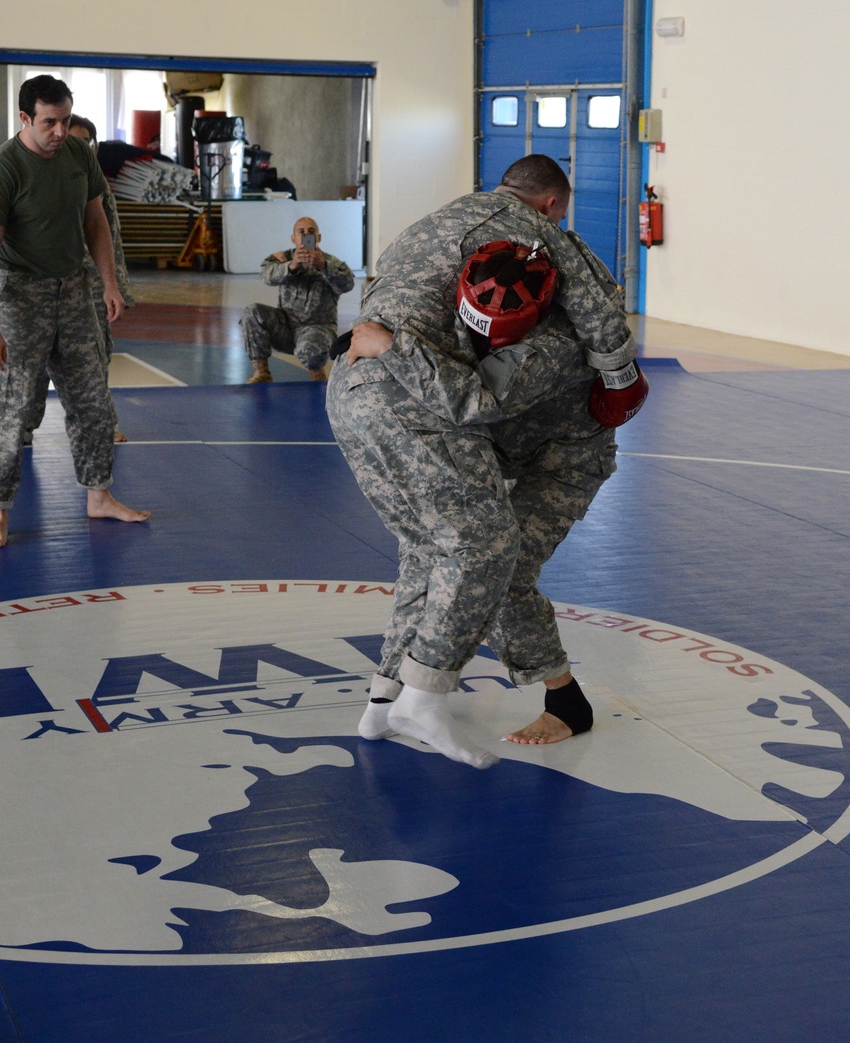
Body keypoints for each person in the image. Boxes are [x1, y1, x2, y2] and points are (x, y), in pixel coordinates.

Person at [327, 155, 646, 769]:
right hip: (505, 442)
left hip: (562, 457)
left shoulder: (547, 340)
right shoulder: (484, 281)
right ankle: (386, 693)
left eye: (501, 324)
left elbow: (476, 400)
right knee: (438, 552)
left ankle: (565, 701)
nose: (488, 332)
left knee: (495, 566)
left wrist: (391, 347)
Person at [0, 76, 151, 547]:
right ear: (25, 118)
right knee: (16, 406)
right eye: (49, 122)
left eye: (66, 120)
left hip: (74, 288)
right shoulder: (7, 167)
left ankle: (99, 495)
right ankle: (0, 509)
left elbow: (95, 219)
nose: (60, 131)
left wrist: (108, 282)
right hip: (20, 293)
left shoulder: (78, 154)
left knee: (92, 399)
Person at [23, 115, 132, 446]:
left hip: (90, 288)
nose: (77, 148)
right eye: (71, 140)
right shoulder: (33, 179)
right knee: (32, 362)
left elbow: (110, 239)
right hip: (42, 288)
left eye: (85, 143)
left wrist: (115, 286)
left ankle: (101, 426)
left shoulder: (98, 188)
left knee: (95, 358)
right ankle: (22, 427)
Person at [240, 216, 355, 384]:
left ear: (319, 237)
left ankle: (317, 374)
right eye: (301, 232)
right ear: (293, 238)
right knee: (252, 312)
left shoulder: (332, 262)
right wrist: (291, 266)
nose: (306, 235)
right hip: (284, 327)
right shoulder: (283, 258)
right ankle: (261, 372)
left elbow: (348, 284)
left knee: (311, 349)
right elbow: (266, 276)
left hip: (317, 328)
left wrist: (324, 267)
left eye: (311, 231)